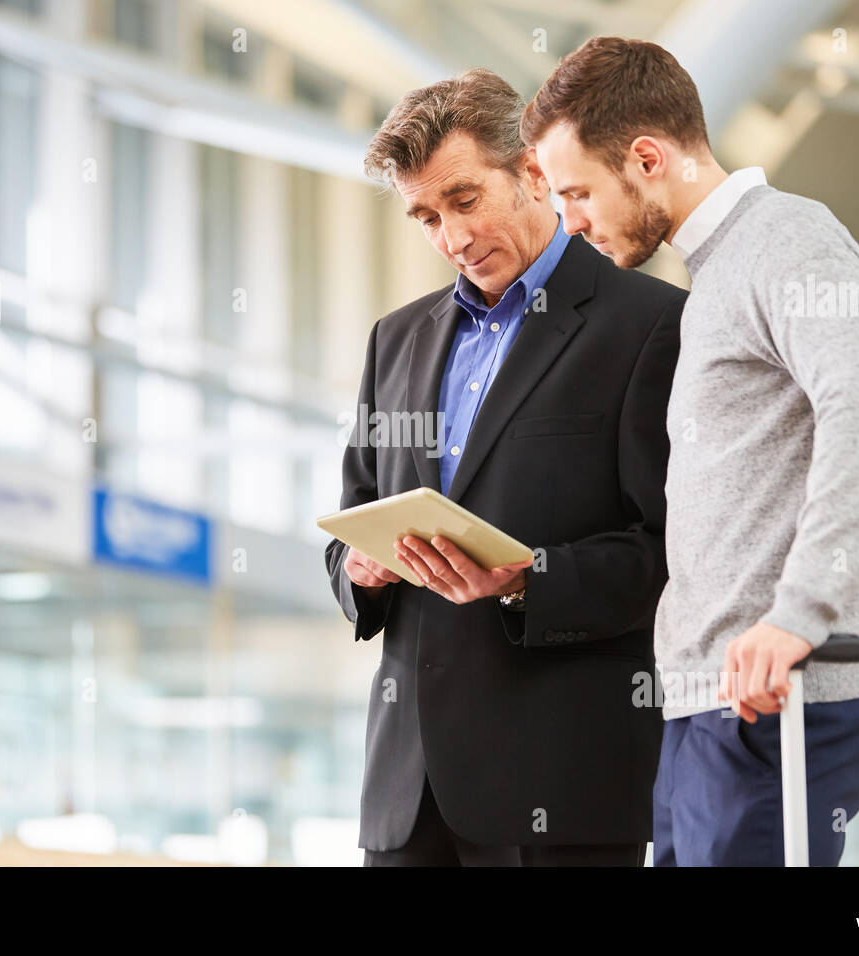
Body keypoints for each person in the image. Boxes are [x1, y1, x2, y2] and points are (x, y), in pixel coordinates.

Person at [523, 36, 859, 865]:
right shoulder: (712, 279)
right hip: (705, 712)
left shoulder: (788, 239)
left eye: (578, 193)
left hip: (778, 705)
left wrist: (798, 613)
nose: (572, 223)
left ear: (646, 157)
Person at [323, 68, 687, 866]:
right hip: (407, 794)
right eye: (425, 216)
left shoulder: (649, 325)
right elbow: (350, 518)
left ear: (530, 170)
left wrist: (527, 579)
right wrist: (359, 568)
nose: (451, 239)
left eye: (463, 200)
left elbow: (672, 554)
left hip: (562, 786)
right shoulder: (396, 340)